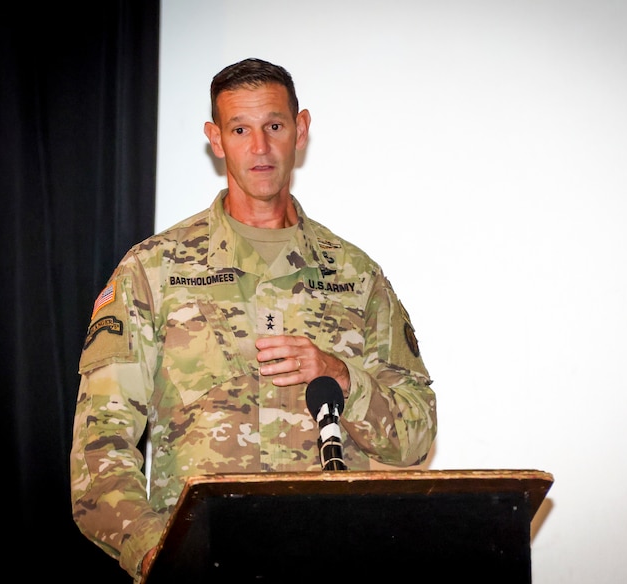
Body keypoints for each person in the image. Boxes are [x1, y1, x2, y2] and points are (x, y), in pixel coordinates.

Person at [70, 57, 437, 582]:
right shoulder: (152, 270)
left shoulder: (356, 275)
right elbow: (100, 443)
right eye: (240, 129)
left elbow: (417, 435)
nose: (259, 148)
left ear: (300, 129)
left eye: (274, 126)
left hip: (333, 558)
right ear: (215, 139)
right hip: (203, 564)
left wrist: (342, 377)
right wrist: (158, 552)